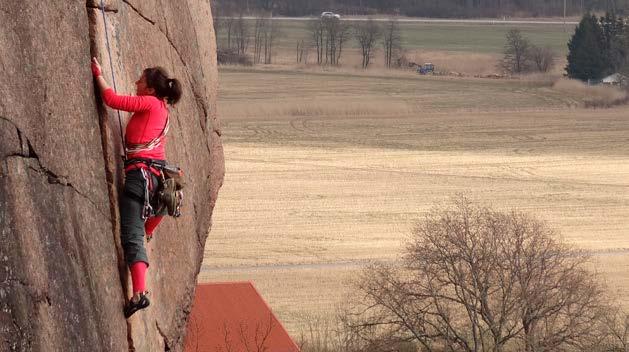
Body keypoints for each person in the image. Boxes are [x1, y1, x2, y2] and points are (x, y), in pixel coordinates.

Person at [91, 57, 182, 318]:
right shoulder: (163, 110)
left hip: (139, 177)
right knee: (139, 230)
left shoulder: (149, 103)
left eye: (140, 80)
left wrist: (98, 74)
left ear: (151, 89)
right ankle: (148, 232)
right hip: (154, 178)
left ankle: (139, 293)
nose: (136, 82)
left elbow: (113, 100)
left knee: (131, 235)